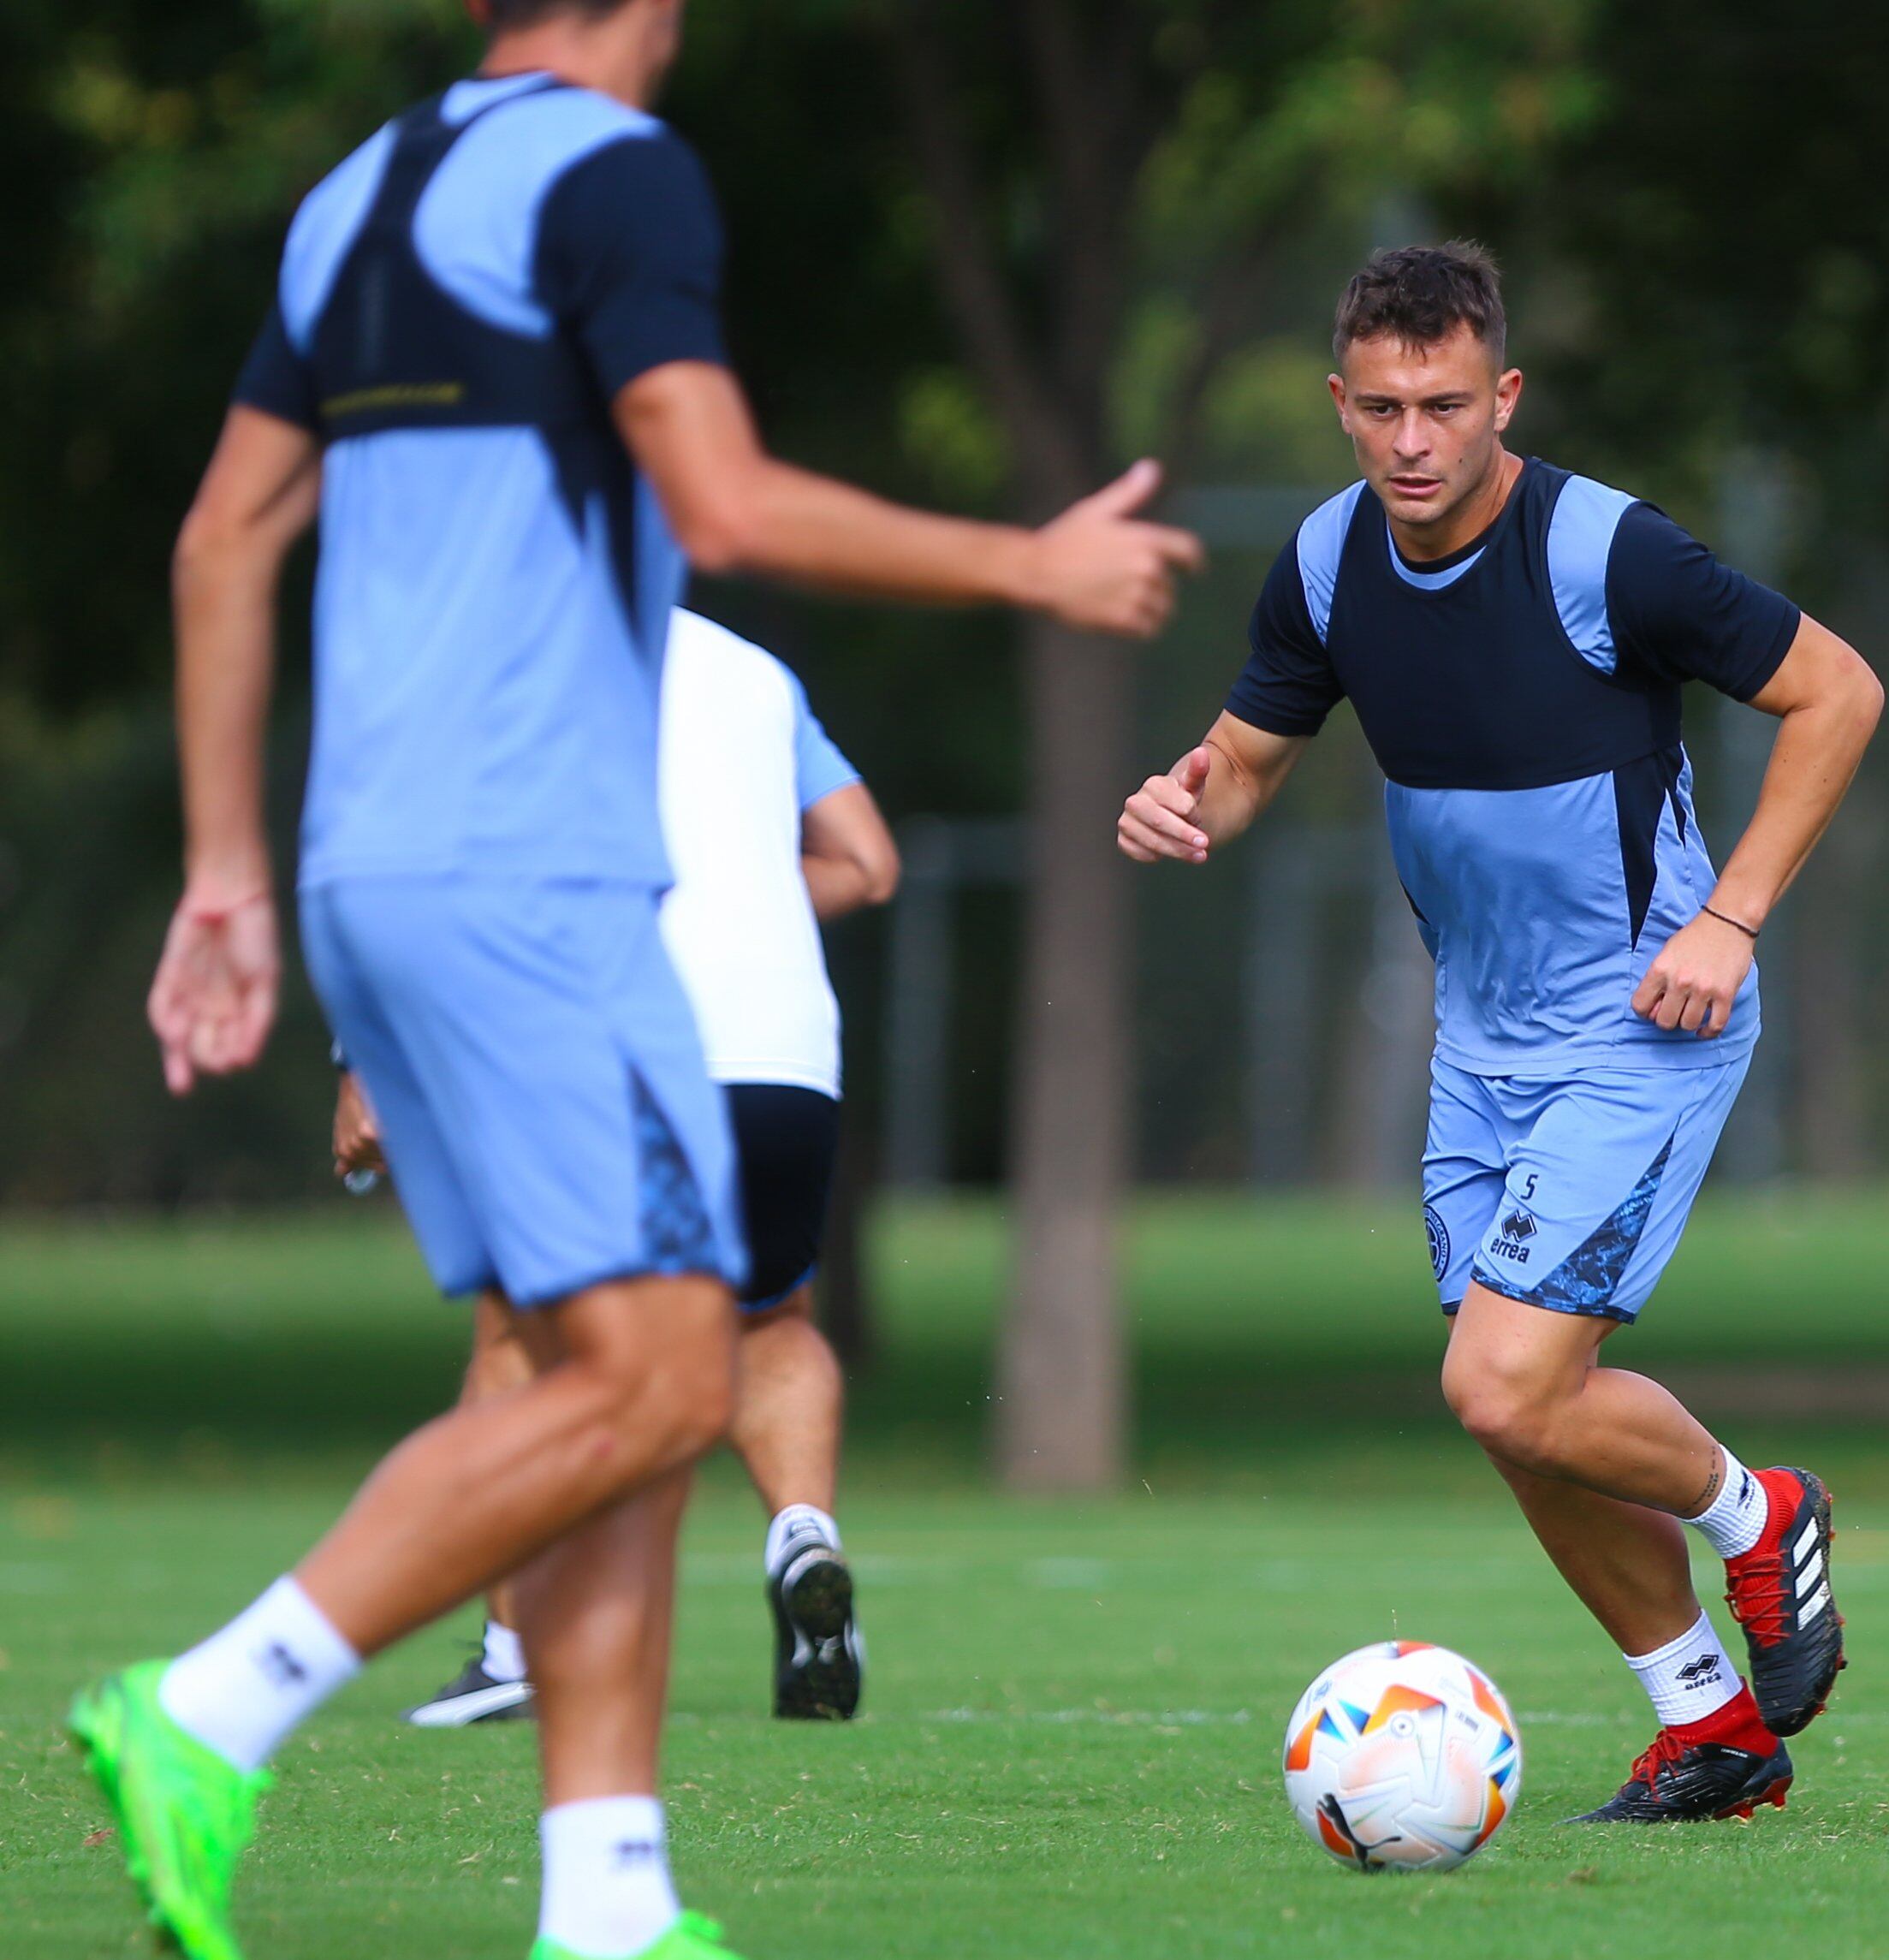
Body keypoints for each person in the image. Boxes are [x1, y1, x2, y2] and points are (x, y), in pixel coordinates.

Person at [80, 0, 1202, 1954]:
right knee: (676, 1372)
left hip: (375, 864)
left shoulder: (355, 193)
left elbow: (215, 542)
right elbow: (728, 505)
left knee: (619, 1363)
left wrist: (225, 871)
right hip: (534, 871)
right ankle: (208, 1709)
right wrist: (1028, 567)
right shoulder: (615, 174)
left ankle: (610, 1898)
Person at [1118, 243, 1884, 1823]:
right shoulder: (1326, 564)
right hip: (1481, 1046)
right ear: (1338, 404)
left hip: (1641, 1022)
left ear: (1501, 397)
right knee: (1521, 1414)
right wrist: (1189, 793)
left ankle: (1761, 1510)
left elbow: (1842, 694)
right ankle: (1711, 1731)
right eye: (1383, 407)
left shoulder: (1610, 551)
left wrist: (1728, 917)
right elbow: (1252, 751)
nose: (1413, 440)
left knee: (1500, 1381)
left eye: (1445, 405)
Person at [348, 608, 894, 1730]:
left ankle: (513, 1647)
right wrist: (729, 895)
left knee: (521, 1326)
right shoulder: (753, 667)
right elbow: (866, 861)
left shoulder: (486, 644)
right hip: (783, 1050)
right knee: (769, 1319)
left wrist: (365, 1056)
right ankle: (802, 1533)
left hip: (617, 1040)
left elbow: (417, 863)